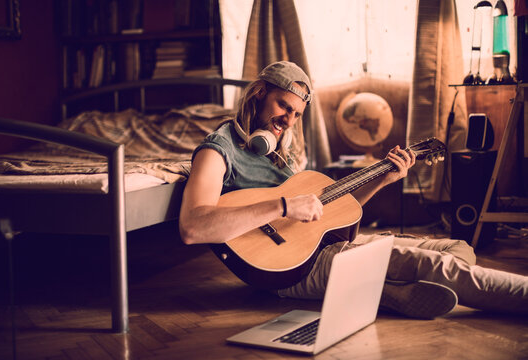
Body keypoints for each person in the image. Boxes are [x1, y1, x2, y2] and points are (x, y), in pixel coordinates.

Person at [179, 61, 527, 319]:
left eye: (297, 114)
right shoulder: (217, 149)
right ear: (259, 94)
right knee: (438, 266)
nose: (289, 120)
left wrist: (383, 178)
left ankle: (388, 291)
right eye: (284, 106)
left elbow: (327, 212)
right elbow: (193, 227)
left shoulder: (276, 153)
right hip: (291, 270)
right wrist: (283, 206)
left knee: (457, 247)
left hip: (325, 245)